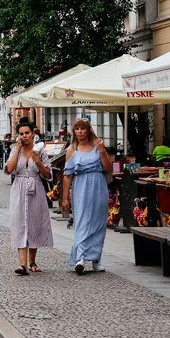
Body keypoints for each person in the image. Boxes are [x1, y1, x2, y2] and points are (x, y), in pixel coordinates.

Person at [61, 117, 113, 274]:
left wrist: (103, 152)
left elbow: (108, 168)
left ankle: (96, 259)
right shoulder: (72, 150)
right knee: (82, 221)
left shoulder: (98, 146)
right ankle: (80, 257)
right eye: (77, 129)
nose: (80, 131)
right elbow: (67, 175)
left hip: (98, 185)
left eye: (83, 128)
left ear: (88, 130)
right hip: (81, 187)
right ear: (74, 132)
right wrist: (65, 198)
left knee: (98, 223)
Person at [5, 119, 53, 275]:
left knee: (34, 223)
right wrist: (17, 150)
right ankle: (22, 264)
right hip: (18, 189)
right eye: (21, 133)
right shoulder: (15, 150)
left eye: (27, 133)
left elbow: (48, 175)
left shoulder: (40, 151)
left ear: (33, 134)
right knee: (19, 223)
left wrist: (37, 161)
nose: (24, 136)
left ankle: (32, 261)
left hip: (36, 189)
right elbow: (9, 170)